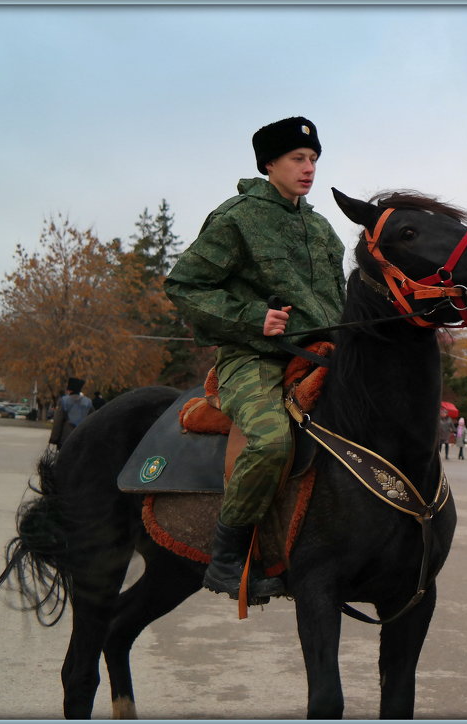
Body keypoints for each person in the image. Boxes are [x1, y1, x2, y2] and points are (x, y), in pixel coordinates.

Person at [164, 116, 346, 602]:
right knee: (268, 440)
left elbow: (339, 301)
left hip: (323, 354)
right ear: (270, 164)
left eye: (313, 159)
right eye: (297, 159)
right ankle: (227, 559)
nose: (309, 169)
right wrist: (252, 319)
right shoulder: (237, 218)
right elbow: (183, 285)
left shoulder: (323, 229)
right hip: (253, 358)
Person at [49, 378, 94, 447]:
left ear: (69, 390)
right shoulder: (88, 402)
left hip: (66, 439)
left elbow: (58, 421)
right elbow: (92, 420)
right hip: (82, 439)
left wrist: (54, 439)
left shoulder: (64, 400)